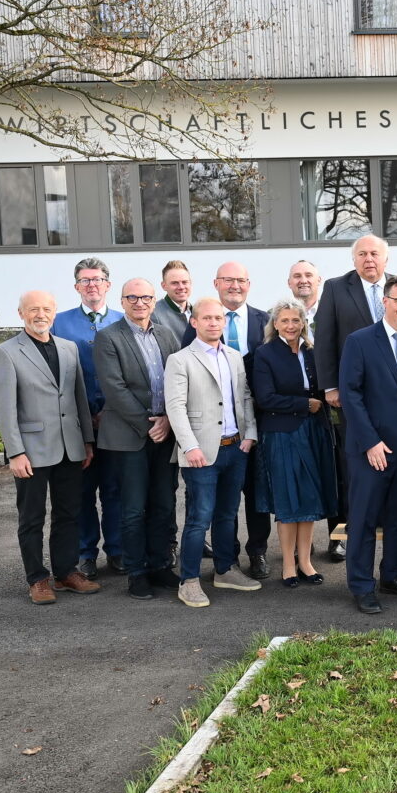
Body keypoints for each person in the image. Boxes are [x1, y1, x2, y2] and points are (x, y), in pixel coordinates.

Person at [0, 291, 101, 605]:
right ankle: (37, 579)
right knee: (32, 517)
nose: (41, 314)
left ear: (55, 313)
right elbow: (4, 408)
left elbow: (79, 397)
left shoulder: (68, 348)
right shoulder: (7, 352)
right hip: (31, 450)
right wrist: (15, 452)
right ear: (21, 313)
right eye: (34, 309)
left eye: (47, 309)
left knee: (69, 514)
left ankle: (66, 572)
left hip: (70, 447)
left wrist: (87, 442)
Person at [338, 276, 397, 614]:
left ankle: (393, 575)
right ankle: (362, 586)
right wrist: (370, 442)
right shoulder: (360, 341)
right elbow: (350, 395)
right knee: (364, 519)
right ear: (386, 302)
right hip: (372, 450)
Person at [164, 298, 262, 607]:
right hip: (201, 453)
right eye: (206, 318)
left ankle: (224, 570)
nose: (213, 323)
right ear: (194, 322)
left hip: (235, 448)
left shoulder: (234, 356)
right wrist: (189, 445)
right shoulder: (180, 360)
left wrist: (250, 435)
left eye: (218, 318)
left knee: (227, 514)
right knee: (199, 517)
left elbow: (245, 396)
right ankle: (189, 580)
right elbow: (175, 406)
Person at [93, 279, 182, 600]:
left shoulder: (166, 334)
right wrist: (150, 426)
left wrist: (169, 421)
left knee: (164, 503)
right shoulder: (108, 337)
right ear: (123, 300)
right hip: (129, 437)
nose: (140, 302)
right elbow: (114, 390)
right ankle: (136, 572)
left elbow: (178, 379)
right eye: (133, 297)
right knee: (132, 508)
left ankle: (160, 565)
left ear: (154, 300)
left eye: (146, 297)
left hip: (165, 434)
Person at [182, 262, 272, 578]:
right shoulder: (194, 334)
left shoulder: (265, 320)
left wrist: (252, 430)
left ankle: (257, 552)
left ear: (249, 284)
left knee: (256, 495)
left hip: (253, 425)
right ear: (216, 283)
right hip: (209, 435)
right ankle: (226, 558)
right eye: (228, 280)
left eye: (241, 280)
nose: (235, 285)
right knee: (217, 507)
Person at [314, 234, 390, 562]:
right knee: (356, 463)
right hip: (351, 395)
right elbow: (325, 338)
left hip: (392, 395)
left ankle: (385, 516)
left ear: (385, 259)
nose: (368, 259)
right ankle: (355, 523)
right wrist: (330, 386)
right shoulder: (335, 288)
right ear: (354, 259)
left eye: (374, 253)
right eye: (362, 254)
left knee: (392, 458)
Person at [251, 299, 336, 590]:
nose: (290, 326)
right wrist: (303, 405)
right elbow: (264, 398)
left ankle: (305, 562)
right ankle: (288, 564)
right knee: (289, 499)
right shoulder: (264, 354)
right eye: (285, 321)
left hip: (313, 431)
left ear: (303, 323)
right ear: (275, 324)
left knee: (310, 497)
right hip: (281, 433)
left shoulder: (313, 353)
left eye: (296, 321)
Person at [51, 257, 124, 580]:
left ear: (108, 285)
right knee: (81, 492)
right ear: (76, 286)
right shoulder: (59, 323)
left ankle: (119, 551)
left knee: (115, 491)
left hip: (117, 423)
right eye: (85, 280)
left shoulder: (124, 321)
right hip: (77, 425)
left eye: (97, 279)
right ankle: (85, 554)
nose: (92, 285)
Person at [152, 260, 194, 336]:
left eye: (184, 282)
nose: (181, 287)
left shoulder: (198, 312)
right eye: (175, 283)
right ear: (164, 286)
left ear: (190, 283)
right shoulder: (153, 313)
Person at [286, 260, 322, 337]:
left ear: (319, 280)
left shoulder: (333, 313)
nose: (303, 281)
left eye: (308, 275)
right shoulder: (275, 315)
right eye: (297, 276)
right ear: (289, 283)